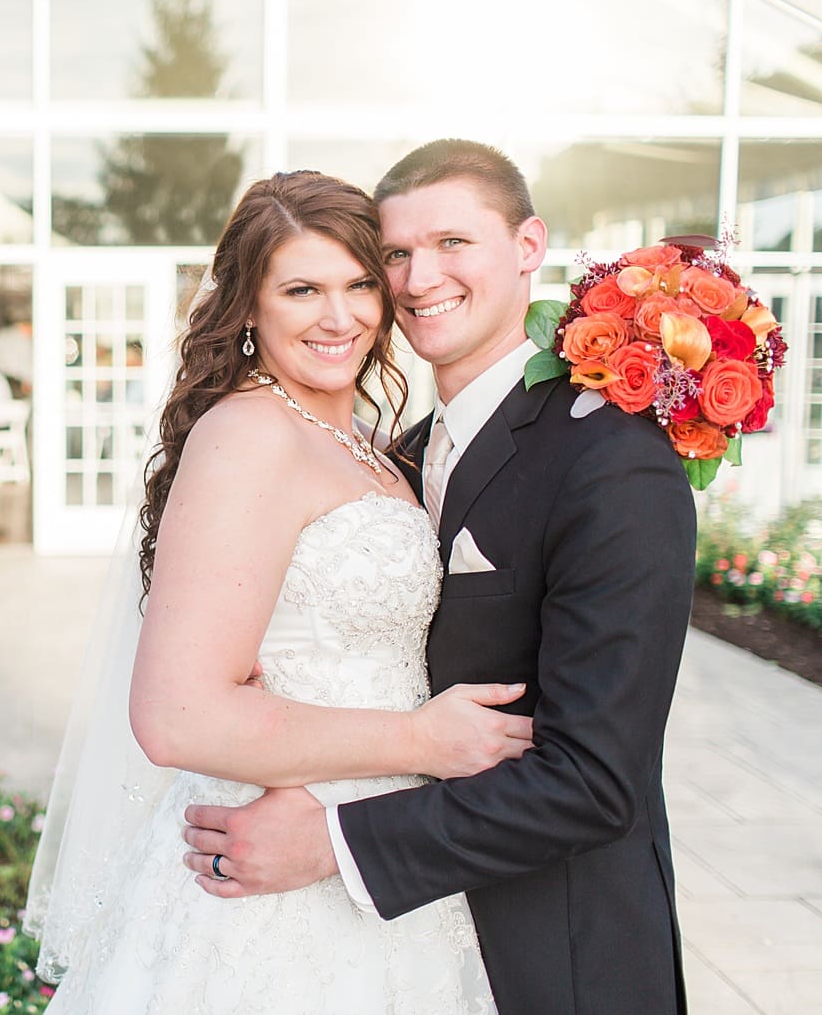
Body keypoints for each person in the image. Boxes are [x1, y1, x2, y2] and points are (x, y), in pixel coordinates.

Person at [181, 141, 696, 1014]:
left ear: (527, 246)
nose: (420, 279)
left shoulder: (610, 457)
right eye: (395, 253)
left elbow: (594, 780)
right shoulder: (400, 456)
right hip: (398, 945)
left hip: (556, 955)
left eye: (453, 242)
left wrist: (333, 842)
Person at [27, 170, 538, 1012]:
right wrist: (420, 740)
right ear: (247, 308)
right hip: (274, 873)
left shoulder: (372, 444)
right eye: (301, 290)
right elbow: (175, 716)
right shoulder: (247, 435)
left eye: (359, 284)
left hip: (377, 852)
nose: (339, 318)